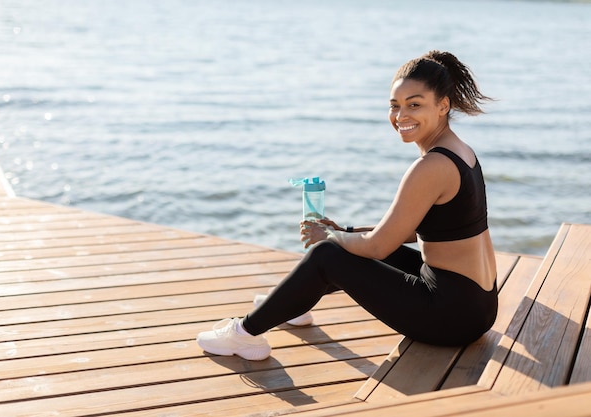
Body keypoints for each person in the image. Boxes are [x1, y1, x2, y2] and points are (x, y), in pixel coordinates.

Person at [196, 50, 498, 361]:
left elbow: (378, 247)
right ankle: (291, 305)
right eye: (395, 106)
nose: (401, 116)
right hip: (478, 305)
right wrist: (345, 231)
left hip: (451, 318)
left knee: (327, 255)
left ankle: (244, 335)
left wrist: (330, 238)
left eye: (414, 104)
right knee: (345, 247)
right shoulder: (461, 152)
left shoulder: (430, 166)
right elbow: (412, 233)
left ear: (443, 105)